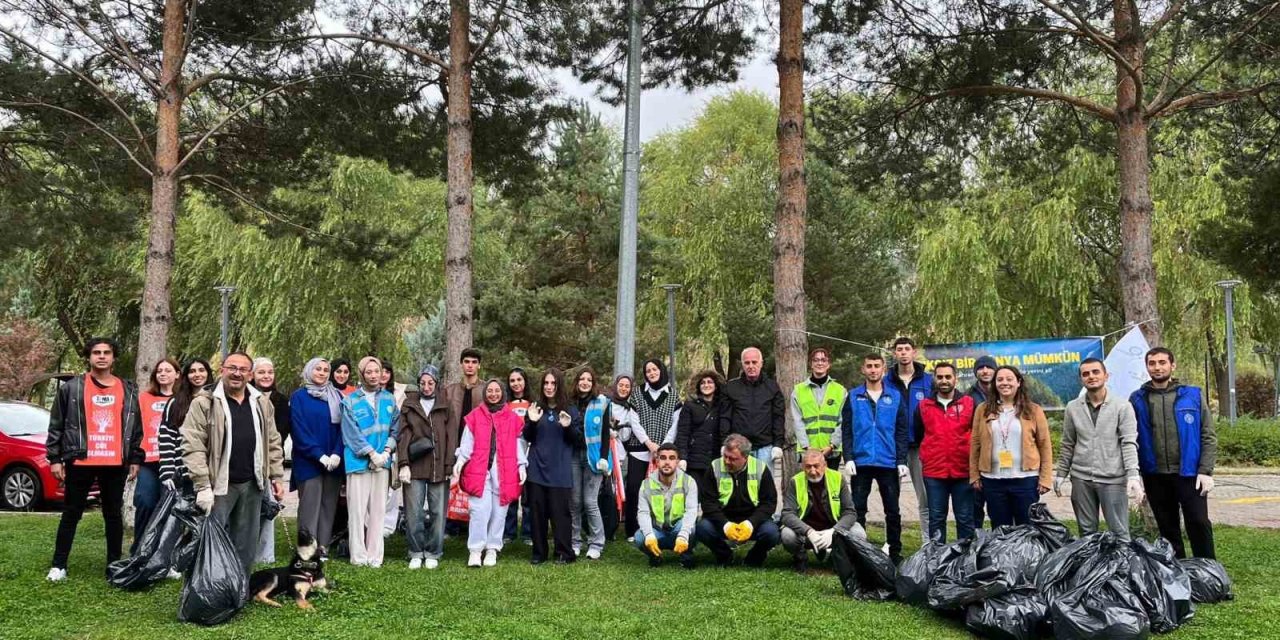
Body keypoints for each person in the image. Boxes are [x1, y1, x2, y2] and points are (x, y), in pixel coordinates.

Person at [45, 337, 142, 582]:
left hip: (115, 463)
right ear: (89, 357)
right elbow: (56, 424)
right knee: (71, 513)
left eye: (106, 352)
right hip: (80, 460)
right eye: (96, 352)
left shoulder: (128, 389)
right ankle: (59, 565)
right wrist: (55, 458)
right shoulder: (72, 388)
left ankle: (113, 563)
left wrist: (134, 459)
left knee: (113, 514)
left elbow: (137, 429)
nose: (101, 356)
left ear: (113, 357)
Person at [182, 352, 286, 575]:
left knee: (246, 544)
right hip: (219, 485)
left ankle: (239, 588)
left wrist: (276, 476)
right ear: (222, 370)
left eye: (243, 370)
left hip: (252, 482)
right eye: (232, 368)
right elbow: (193, 444)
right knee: (210, 540)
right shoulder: (205, 402)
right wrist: (202, 486)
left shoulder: (261, 402)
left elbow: (273, 440)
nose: (237, 373)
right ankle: (208, 589)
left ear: (250, 375)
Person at [1130, 347, 1217, 559]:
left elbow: (1208, 435)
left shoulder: (1192, 395)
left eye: (1162, 362)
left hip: (1189, 474)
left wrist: (1205, 470)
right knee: (1168, 529)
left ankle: (1208, 573)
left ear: (1172, 365)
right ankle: (1176, 574)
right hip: (1155, 475)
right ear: (1147, 367)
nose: (1157, 367)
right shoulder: (1137, 399)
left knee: (1198, 522)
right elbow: (1131, 438)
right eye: (1152, 363)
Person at [1056, 358, 1143, 541]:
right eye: (1086, 374)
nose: (1091, 376)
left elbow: (1128, 442)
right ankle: (1092, 568)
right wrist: (1061, 473)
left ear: (1106, 375)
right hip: (1081, 479)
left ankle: (1124, 567)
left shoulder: (1122, 406)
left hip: (1112, 478)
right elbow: (1068, 443)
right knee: (1087, 532)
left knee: (1119, 532)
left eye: (1095, 372)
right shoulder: (1073, 408)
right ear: (1081, 379)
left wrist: (1133, 475)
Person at [841, 353, 909, 564]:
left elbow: (901, 430)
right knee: (858, 508)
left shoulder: (895, 396)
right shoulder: (853, 396)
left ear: (883, 370)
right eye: (869, 366)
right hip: (861, 461)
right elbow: (847, 430)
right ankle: (859, 550)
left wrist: (901, 460)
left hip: (887, 461)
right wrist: (849, 457)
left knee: (892, 509)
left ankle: (895, 551)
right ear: (863, 369)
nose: (872, 369)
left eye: (876, 366)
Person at [454, 379, 527, 567]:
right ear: (485, 393)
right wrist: (461, 460)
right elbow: (467, 441)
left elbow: (519, 445)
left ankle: (493, 548)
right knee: (479, 510)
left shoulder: (512, 418)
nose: (493, 394)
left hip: (504, 470)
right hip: (479, 470)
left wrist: (521, 465)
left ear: (502, 393)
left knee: (499, 511)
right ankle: (476, 550)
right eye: (490, 391)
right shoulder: (475, 416)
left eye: (497, 391)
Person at [970, 366, 1053, 527]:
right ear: (994, 384)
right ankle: (1001, 553)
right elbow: (975, 443)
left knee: (1027, 527)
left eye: (1009, 379)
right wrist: (974, 475)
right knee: (1000, 528)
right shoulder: (983, 410)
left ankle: (1028, 553)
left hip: (1025, 479)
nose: (1004, 383)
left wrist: (1045, 478)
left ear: (1019, 382)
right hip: (993, 480)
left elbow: (1044, 445)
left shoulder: (1034, 410)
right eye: (1000, 379)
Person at [340, 356, 400, 567]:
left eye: (377, 371)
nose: (374, 375)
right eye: (369, 372)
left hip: (382, 462)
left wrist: (386, 451)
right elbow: (350, 432)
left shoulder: (390, 399)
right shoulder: (350, 401)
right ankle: (358, 556)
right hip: (358, 463)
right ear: (362, 374)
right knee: (356, 512)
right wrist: (370, 454)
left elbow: (395, 427)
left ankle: (375, 557)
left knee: (378, 512)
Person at [397, 365, 456, 569]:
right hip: (415, 465)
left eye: (430, 383)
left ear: (436, 383)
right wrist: (403, 463)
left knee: (438, 512)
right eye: (423, 383)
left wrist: (449, 465)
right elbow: (403, 435)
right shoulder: (409, 404)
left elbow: (451, 437)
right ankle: (415, 550)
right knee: (414, 512)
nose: (426, 386)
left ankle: (433, 551)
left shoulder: (445, 405)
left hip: (439, 466)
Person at [522, 368, 583, 564]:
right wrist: (531, 422)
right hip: (537, 470)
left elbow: (578, 440)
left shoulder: (570, 410)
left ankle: (564, 553)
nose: (549, 387)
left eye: (553, 383)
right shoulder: (535, 408)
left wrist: (568, 427)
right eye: (546, 383)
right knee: (537, 514)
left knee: (560, 515)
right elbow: (528, 436)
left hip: (559, 471)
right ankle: (539, 553)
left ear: (559, 386)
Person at [695, 434, 780, 567]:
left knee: (772, 533)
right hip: (723, 519)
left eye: (732, 459)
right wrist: (725, 524)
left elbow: (769, 503)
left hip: (752, 520)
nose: (727, 461)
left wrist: (751, 523)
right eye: (725, 456)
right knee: (702, 528)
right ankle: (724, 555)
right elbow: (708, 502)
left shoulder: (760, 468)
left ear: (745, 458)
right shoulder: (714, 467)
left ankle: (754, 559)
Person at [914, 362, 977, 543]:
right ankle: (937, 559)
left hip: (963, 471)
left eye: (948, 377)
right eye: (940, 377)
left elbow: (976, 434)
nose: (944, 381)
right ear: (934, 379)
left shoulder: (969, 403)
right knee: (936, 518)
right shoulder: (924, 406)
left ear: (955, 379)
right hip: (934, 472)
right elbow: (919, 435)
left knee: (965, 518)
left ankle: (964, 559)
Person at [289, 358, 345, 558]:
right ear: (309, 371)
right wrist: (318, 455)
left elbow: (344, 428)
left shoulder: (337, 396)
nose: (322, 373)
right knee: (309, 505)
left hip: (334, 461)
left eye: (325, 370)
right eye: (318, 369)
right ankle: (306, 549)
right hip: (308, 460)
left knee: (328, 505)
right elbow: (299, 429)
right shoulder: (299, 397)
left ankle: (322, 547)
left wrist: (337, 453)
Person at [621, 359, 680, 540]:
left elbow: (675, 423)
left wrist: (662, 447)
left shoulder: (673, 395)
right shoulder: (638, 393)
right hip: (640, 449)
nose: (652, 373)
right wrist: (649, 443)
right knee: (634, 489)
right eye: (648, 371)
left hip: (664, 453)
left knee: (661, 491)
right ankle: (632, 529)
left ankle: (659, 527)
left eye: (654, 369)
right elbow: (634, 421)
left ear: (661, 371)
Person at [885, 337, 933, 540]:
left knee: (926, 499)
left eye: (907, 349)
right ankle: (891, 543)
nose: (903, 352)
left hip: (920, 447)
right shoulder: (885, 381)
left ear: (914, 352)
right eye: (899, 349)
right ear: (894, 354)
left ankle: (928, 542)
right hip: (892, 447)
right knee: (890, 499)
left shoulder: (928, 380)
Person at [780, 449, 858, 573]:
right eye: (808, 467)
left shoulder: (838, 478)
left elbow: (850, 512)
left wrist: (834, 531)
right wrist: (809, 531)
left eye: (816, 466)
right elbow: (787, 514)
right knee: (787, 535)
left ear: (825, 465)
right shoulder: (795, 481)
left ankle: (836, 558)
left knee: (858, 533)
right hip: (805, 533)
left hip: (832, 530)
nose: (812, 471)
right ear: (802, 466)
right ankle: (800, 557)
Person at [132, 357, 178, 556]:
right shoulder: (144, 398)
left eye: (168, 370)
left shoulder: (183, 400)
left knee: (170, 507)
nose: (163, 374)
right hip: (148, 461)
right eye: (159, 371)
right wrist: (134, 458)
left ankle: (165, 554)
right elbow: (135, 429)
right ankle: (139, 549)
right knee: (145, 501)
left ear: (177, 375)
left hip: (175, 463)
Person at [570, 368, 613, 559]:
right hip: (572, 456)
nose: (585, 382)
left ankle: (596, 543)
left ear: (593, 383)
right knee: (575, 502)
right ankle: (575, 542)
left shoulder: (602, 402)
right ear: (577, 381)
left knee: (590, 502)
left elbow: (605, 433)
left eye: (589, 379)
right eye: (582, 379)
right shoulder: (569, 402)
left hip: (594, 458)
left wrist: (604, 457)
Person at [252, 357, 291, 564]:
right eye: (261, 372)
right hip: (247, 461)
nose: (266, 376)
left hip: (269, 460)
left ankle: (265, 555)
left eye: (270, 372)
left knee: (268, 508)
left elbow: (280, 434)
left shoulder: (280, 400)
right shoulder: (246, 396)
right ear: (253, 375)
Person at [635, 444, 698, 569]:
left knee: (691, 529)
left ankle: (686, 556)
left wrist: (683, 534)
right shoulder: (646, 484)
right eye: (663, 458)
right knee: (639, 538)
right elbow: (643, 513)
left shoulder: (689, 481)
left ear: (677, 461)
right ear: (657, 461)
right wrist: (649, 535)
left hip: (678, 528)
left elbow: (691, 511)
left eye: (671, 458)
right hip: (658, 530)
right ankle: (655, 556)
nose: (667, 462)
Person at [722, 347, 785, 469]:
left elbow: (778, 417)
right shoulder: (731, 388)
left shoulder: (772, 387)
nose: (751, 366)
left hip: (765, 447)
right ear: (742, 365)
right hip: (737, 449)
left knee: (764, 486)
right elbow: (725, 417)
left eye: (754, 362)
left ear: (761, 363)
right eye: (747, 363)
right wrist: (724, 443)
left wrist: (778, 444)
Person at [158, 358, 211, 495]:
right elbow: (166, 437)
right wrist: (167, 471)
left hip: (211, 470)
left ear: (208, 373)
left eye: (201, 370)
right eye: (192, 371)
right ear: (186, 376)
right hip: (183, 470)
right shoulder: (175, 402)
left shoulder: (217, 400)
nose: (197, 374)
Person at [791, 348, 845, 467]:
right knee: (808, 485)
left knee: (831, 484)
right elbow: (797, 422)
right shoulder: (798, 391)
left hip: (832, 452)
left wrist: (832, 445)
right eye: (816, 360)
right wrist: (807, 447)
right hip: (807, 451)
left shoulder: (840, 390)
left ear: (828, 364)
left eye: (823, 360)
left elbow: (843, 421)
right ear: (811, 364)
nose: (819, 363)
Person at [676, 370, 729, 479]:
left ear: (716, 385)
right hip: (694, 460)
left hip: (716, 458)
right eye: (703, 383)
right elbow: (683, 432)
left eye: (710, 382)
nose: (706, 385)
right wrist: (682, 457)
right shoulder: (689, 405)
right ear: (698, 386)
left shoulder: (722, 405)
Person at [965, 355, 997, 530]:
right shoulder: (968, 397)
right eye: (981, 368)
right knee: (975, 505)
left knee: (997, 507)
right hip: (977, 456)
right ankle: (975, 542)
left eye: (989, 367)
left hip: (1000, 457)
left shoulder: (1005, 392)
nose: (985, 371)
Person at [503, 367, 532, 543]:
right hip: (510, 454)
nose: (516, 384)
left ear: (525, 381)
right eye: (512, 380)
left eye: (519, 380)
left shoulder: (533, 404)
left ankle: (528, 533)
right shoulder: (504, 405)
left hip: (529, 452)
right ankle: (509, 532)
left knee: (528, 497)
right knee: (511, 495)